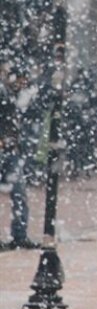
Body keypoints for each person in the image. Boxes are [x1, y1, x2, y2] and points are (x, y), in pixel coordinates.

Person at [0, 64, 40, 250]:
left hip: (11, 149)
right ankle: (19, 235)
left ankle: (20, 235)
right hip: (6, 148)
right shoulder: (5, 93)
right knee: (18, 193)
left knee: (19, 193)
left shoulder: (12, 94)